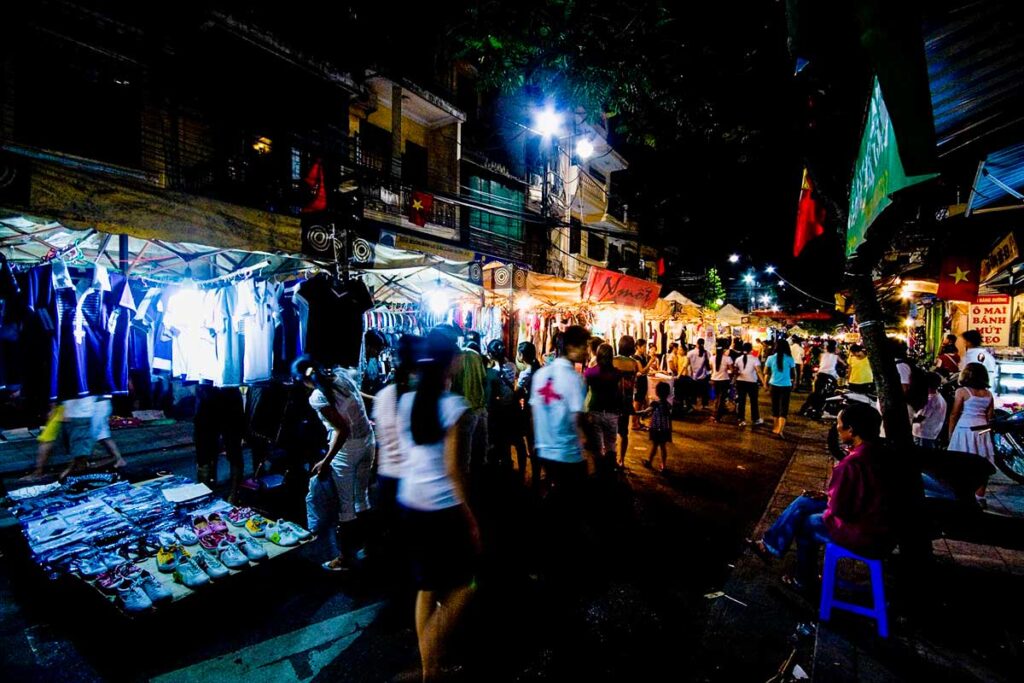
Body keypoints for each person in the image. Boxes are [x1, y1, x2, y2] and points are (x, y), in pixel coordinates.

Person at [396, 329, 478, 682]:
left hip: (410, 503)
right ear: (450, 362)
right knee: (465, 584)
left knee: (427, 586)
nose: (461, 360)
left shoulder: (406, 402)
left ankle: (431, 667)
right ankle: (430, 662)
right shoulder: (453, 407)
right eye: (457, 355)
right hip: (442, 508)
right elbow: (452, 470)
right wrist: (471, 518)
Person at [747, 404, 895, 591]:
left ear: (851, 430)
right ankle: (769, 546)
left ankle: (804, 580)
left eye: (839, 423)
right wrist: (827, 496)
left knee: (806, 524)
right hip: (877, 524)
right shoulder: (878, 452)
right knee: (805, 502)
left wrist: (830, 499)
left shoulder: (850, 464)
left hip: (866, 533)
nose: (837, 427)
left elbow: (839, 509)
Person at [294, 356, 376, 572]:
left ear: (303, 379)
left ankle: (344, 558)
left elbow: (342, 430)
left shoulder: (318, 396)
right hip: (368, 440)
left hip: (347, 450)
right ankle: (369, 545)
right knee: (362, 498)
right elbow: (358, 397)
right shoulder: (341, 375)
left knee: (346, 508)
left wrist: (325, 461)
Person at [529, 325, 590, 577]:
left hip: (545, 449)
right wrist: (588, 452)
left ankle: (543, 556)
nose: (587, 351)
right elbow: (577, 421)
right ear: (572, 347)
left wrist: (535, 442)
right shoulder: (573, 378)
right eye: (584, 345)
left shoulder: (542, 375)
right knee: (568, 508)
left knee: (555, 502)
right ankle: (558, 562)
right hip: (567, 453)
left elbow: (533, 412)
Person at [371, 335, 422, 540]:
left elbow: (381, 440)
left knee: (393, 540)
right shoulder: (421, 395)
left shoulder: (385, 394)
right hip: (414, 480)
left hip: (388, 477)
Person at [948, 362, 995, 509]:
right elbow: (990, 415)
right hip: (982, 430)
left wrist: (950, 432)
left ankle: (961, 495)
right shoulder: (988, 394)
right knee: (982, 463)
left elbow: (954, 414)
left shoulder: (962, 391)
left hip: (964, 428)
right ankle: (980, 496)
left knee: (960, 462)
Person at [485, 338, 525, 472]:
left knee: (503, 440)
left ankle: (506, 466)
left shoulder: (492, 372)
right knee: (518, 441)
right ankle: (521, 468)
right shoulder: (512, 366)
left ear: (491, 354)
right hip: (513, 408)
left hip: (501, 410)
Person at [450, 343, 488, 475]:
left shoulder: (453, 357)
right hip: (480, 406)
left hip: (464, 409)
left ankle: (467, 483)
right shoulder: (476, 356)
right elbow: (484, 379)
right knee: (480, 451)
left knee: (464, 455)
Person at [584, 343, 621, 473]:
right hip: (612, 412)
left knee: (597, 446)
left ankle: (599, 472)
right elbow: (619, 393)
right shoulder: (617, 373)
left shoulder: (590, 373)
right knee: (611, 443)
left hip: (595, 410)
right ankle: (610, 472)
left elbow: (584, 392)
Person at [613, 336, 642, 468]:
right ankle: (622, 460)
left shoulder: (613, 360)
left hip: (612, 400)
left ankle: (611, 458)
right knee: (624, 433)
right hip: (626, 401)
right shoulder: (634, 363)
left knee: (611, 431)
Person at [516, 341, 543, 486]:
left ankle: (535, 477)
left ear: (521, 355)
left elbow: (517, 392)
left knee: (531, 444)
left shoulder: (526, 373)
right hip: (542, 411)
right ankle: (537, 475)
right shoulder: (540, 368)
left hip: (531, 411)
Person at [764, 339, 796, 438]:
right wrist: (794, 383)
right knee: (784, 408)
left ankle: (776, 427)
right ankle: (780, 429)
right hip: (786, 385)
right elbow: (794, 374)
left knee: (775, 407)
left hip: (773, 385)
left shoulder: (770, 358)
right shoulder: (790, 358)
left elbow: (766, 372)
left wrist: (765, 384)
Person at [642, 381, 673, 472]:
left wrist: (637, 414)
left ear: (657, 392)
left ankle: (649, 461)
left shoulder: (655, 404)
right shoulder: (668, 405)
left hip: (656, 428)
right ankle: (663, 465)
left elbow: (646, 411)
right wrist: (670, 429)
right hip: (664, 429)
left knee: (655, 445)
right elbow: (669, 418)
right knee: (662, 446)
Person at [912, 372, 946, 449]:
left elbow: (920, 418)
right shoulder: (939, 397)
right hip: (930, 435)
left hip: (922, 435)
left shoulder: (930, 400)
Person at [734, 342, 763, 427]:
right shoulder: (755, 359)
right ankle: (755, 419)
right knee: (754, 401)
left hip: (740, 382)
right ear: (751, 349)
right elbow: (759, 371)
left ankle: (741, 419)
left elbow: (736, 372)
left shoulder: (738, 359)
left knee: (741, 401)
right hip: (752, 382)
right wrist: (764, 383)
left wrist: (733, 381)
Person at [709, 337, 736, 423]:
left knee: (716, 398)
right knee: (721, 398)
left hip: (714, 379)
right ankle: (717, 416)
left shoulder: (712, 358)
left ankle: (716, 414)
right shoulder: (728, 359)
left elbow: (712, 369)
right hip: (724, 380)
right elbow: (731, 370)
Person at [632, 338, 655, 430]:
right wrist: (650, 362)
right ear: (638, 347)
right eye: (644, 347)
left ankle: (638, 422)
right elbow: (641, 370)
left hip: (643, 381)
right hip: (639, 382)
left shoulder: (642, 357)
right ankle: (634, 423)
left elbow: (645, 371)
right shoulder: (636, 357)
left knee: (641, 402)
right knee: (637, 403)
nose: (645, 349)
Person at [687, 338, 711, 410]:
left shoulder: (690, 353)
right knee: (704, 392)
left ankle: (694, 405)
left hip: (693, 376)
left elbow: (687, 364)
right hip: (704, 376)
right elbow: (709, 365)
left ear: (696, 344)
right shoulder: (707, 353)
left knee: (693, 392)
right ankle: (704, 405)